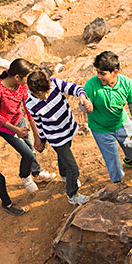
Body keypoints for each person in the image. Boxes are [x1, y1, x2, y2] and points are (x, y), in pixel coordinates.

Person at [0, 58, 55, 193]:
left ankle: (37, 173)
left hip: (19, 120)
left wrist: (36, 135)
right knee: (27, 154)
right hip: (5, 126)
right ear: (17, 77)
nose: (29, 81)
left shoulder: (22, 86)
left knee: (31, 147)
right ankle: (25, 176)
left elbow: (28, 108)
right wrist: (16, 130)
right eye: (27, 78)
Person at [26, 70, 91, 205]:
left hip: (68, 128)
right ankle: (72, 195)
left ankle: (64, 176)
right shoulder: (30, 103)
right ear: (32, 92)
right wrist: (42, 140)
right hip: (55, 137)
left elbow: (76, 88)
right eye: (42, 94)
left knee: (65, 156)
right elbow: (39, 124)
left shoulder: (54, 83)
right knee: (73, 168)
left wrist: (83, 97)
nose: (47, 95)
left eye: (48, 91)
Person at [84, 50, 132, 183]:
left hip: (121, 122)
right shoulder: (91, 85)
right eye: (97, 72)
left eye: (103, 73)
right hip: (100, 128)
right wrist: (85, 106)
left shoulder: (127, 83)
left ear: (115, 72)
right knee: (111, 157)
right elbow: (83, 103)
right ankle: (117, 182)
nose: (99, 76)